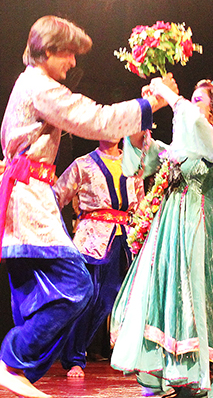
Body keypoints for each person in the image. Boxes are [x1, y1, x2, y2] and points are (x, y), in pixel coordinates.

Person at [0, 15, 175, 398]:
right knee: (75, 284)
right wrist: (151, 101)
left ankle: (16, 370)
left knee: (38, 296)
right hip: (27, 203)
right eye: (68, 53)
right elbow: (95, 119)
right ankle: (12, 363)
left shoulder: (32, 85)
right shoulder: (40, 85)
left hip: (25, 197)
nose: (72, 62)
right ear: (48, 50)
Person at [110, 77, 213, 398]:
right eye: (191, 99)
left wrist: (171, 96)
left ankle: (187, 373)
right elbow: (142, 157)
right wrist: (144, 112)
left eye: (198, 100)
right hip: (165, 233)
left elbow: (195, 126)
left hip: (193, 233)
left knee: (188, 297)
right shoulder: (177, 151)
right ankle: (157, 373)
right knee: (156, 296)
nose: (190, 104)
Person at [51, 139, 144, 378]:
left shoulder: (134, 163)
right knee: (87, 300)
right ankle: (74, 358)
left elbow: (142, 204)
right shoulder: (83, 164)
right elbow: (56, 196)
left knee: (111, 300)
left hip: (126, 239)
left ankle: (133, 356)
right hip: (92, 239)